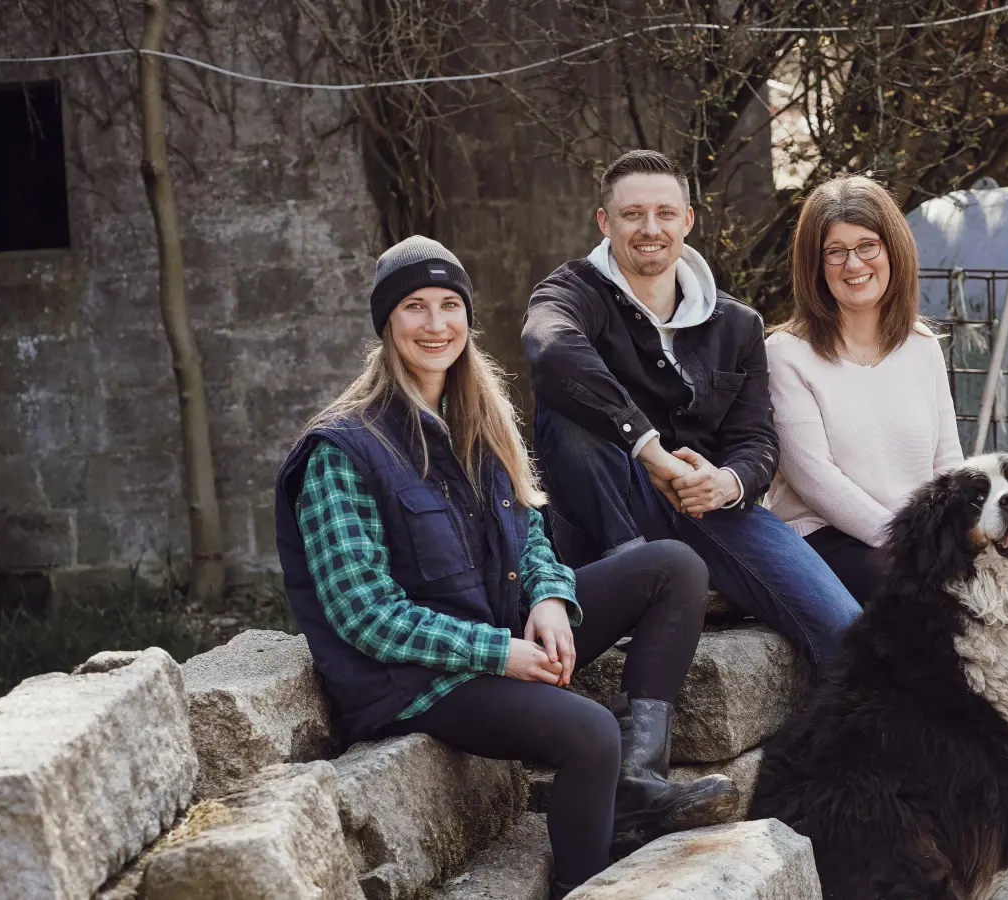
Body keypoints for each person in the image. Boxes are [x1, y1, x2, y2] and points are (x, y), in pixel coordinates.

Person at [274, 236, 736, 900]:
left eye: (448, 306)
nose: (435, 325)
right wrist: (502, 653)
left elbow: (529, 532)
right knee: (589, 730)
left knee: (671, 567)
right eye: (414, 307)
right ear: (386, 322)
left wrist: (549, 599)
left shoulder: (477, 417)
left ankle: (636, 787)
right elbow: (364, 614)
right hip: (415, 677)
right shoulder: (343, 449)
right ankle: (583, 882)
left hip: (498, 623)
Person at [522, 150, 861, 674]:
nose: (649, 228)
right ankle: (635, 575)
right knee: (567, 409)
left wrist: (728, 482)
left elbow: (756, 440)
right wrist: (651, 451)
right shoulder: (571, 292)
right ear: (604, 222)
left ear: (688, 220)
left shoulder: (737, 323)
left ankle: (832, 751)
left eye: (664, 213)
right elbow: (550, 350)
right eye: (632, 214)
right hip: (609, 508)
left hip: (710, 505)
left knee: (845, 632)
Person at [765, 174, 962, 605]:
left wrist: (952, 536)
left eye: (867, 246)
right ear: (815, 267)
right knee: (916, 598)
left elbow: (947, 463)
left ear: (893, 250)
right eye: (835, 252)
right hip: (824, 540)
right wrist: (907, 542)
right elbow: (816, 480)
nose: (854, 265)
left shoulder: (922, 347)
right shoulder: (785, 354)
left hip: (913, 542)